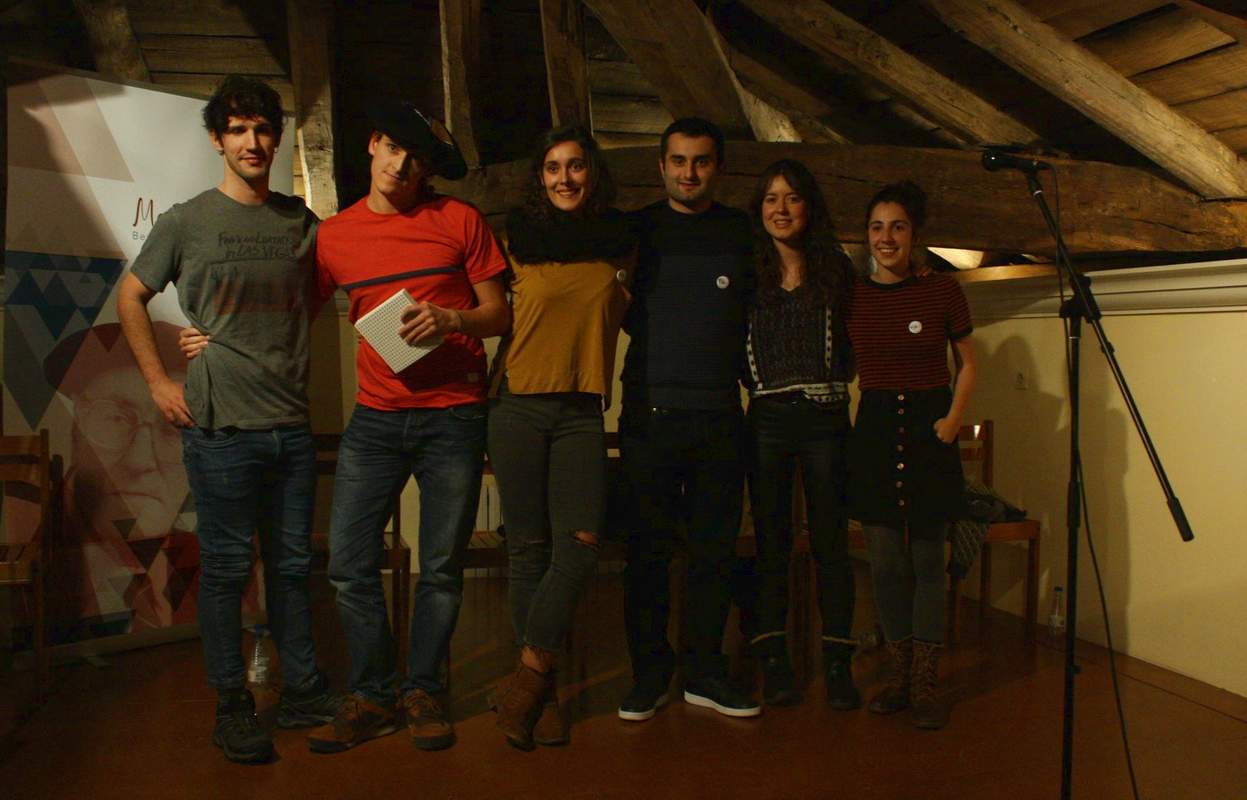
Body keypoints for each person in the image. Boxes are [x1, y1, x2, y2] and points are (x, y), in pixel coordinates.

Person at [116, 75, 335, 765]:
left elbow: (327, 292)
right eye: (237, 129)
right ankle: (233, 705)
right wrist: (159, 381)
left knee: (292, 568)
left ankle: (302, 690)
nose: (252, 141)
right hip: (221, 432)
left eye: (262, 128)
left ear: (277, 137)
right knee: (227, 570)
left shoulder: (301, 222)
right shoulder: (187, 221)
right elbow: (130, 295)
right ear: (217, 139)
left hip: (290, 426)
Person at [306, 99, 510, 754]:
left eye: (416, 158)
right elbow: (289, 312)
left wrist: (453, 320)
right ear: (373, 144)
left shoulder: (460, 220)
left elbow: (499, 313)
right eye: (394, 148)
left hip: (454, 414)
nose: (401, 164)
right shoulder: (333, 236)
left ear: (427, 169)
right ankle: (373, 694)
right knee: (348, 564)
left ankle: (423, 690)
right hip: (375, 416)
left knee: (441, 567)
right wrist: (212, 337)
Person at [486, 125, 636, 749]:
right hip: (517, 405)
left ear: (591, 173)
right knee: (527, 550)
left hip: (580, 410)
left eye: (575, 166)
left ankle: (527, 679)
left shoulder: (622, 245)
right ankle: (543, 699)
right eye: (553, 168)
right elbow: (488, 314)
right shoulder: (515, 241)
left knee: (578, 547)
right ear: (540, 177)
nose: (564, 178)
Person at [617, 117, 760, 721]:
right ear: (662, 166)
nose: (689, 172)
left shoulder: (740, 231)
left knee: (713, 554)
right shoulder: (638, 230)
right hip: (648, 414)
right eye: (678, 161)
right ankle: (650, 675)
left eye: (701, 161)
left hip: (720, 414)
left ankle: (704, 672)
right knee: (646, 555)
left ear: (717, 167)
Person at [847, 181, 976, 730]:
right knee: (885, 564)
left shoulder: (943, 290)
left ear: (914, 234)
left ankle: (925, 684)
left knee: (927, 563)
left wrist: (952, 421)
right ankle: (898, 676)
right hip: (875, 432)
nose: (886, 237)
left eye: (897, 226)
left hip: (930, 432)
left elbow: (968, 362)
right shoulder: (852, 295)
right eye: (877, 227)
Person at [741, 159, 859, 709]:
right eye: (771, 198)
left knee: (831, 544)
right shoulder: (748, 270)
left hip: (826, 420)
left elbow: (858, 341)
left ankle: (837, 662)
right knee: (772, 544)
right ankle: (774, 660)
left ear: (809, 206)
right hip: (766, 419)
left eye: (791, 198)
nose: (781, 209)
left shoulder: (835, 269)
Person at [45, 322, 202, 639]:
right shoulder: (36, 551)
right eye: (114, 418)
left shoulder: (223, 562)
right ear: (75, 430)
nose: (140, 461)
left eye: (172, 425)